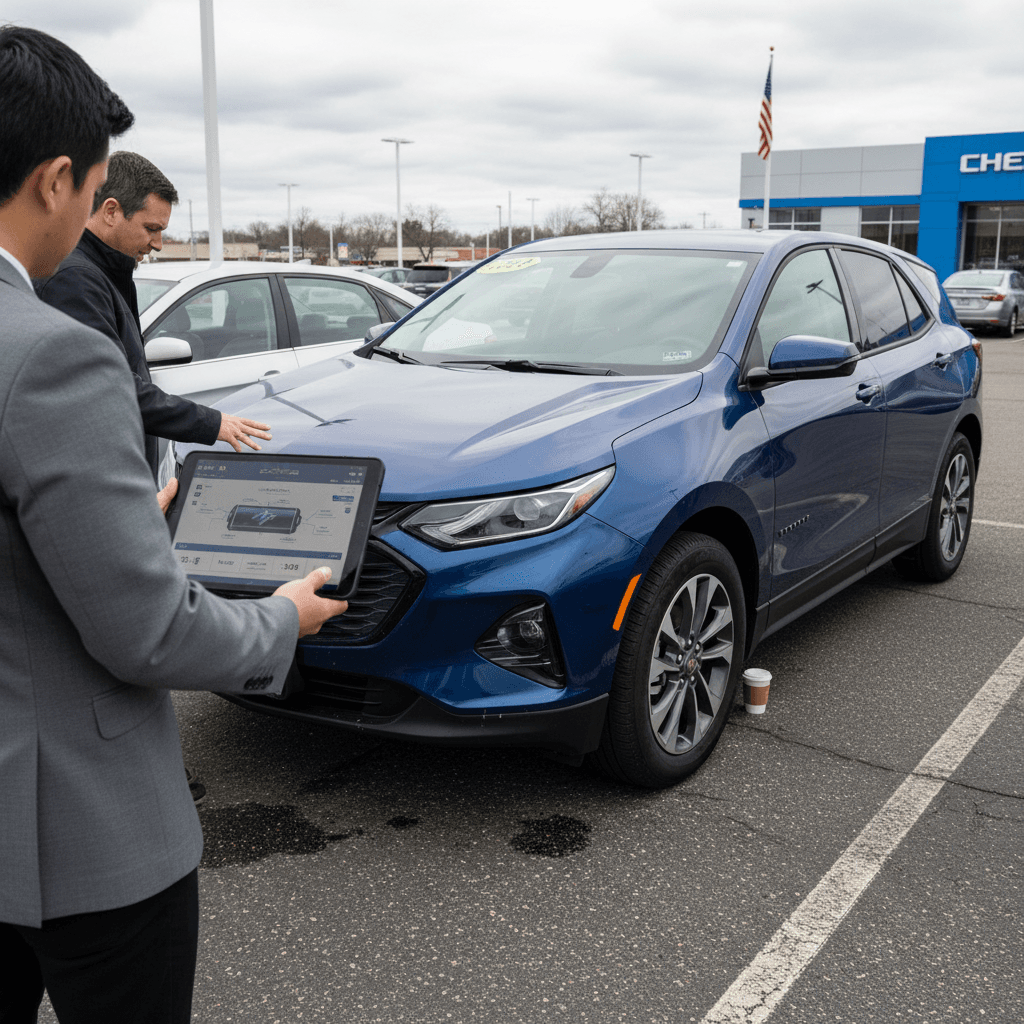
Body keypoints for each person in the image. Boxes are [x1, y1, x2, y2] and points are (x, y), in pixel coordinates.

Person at [0, 26, 346, 1023]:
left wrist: (118, 520)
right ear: (59, 181)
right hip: (75, 833)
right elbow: (146, 631)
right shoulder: (51, 354)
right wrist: (282, 619)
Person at [35, 149, 271, 482]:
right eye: (151, 228)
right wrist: (211, 423)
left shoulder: (107, 271)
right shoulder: (76, 281)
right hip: (95, 481)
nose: (158, 243)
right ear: (111, 211)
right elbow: (110, 388)